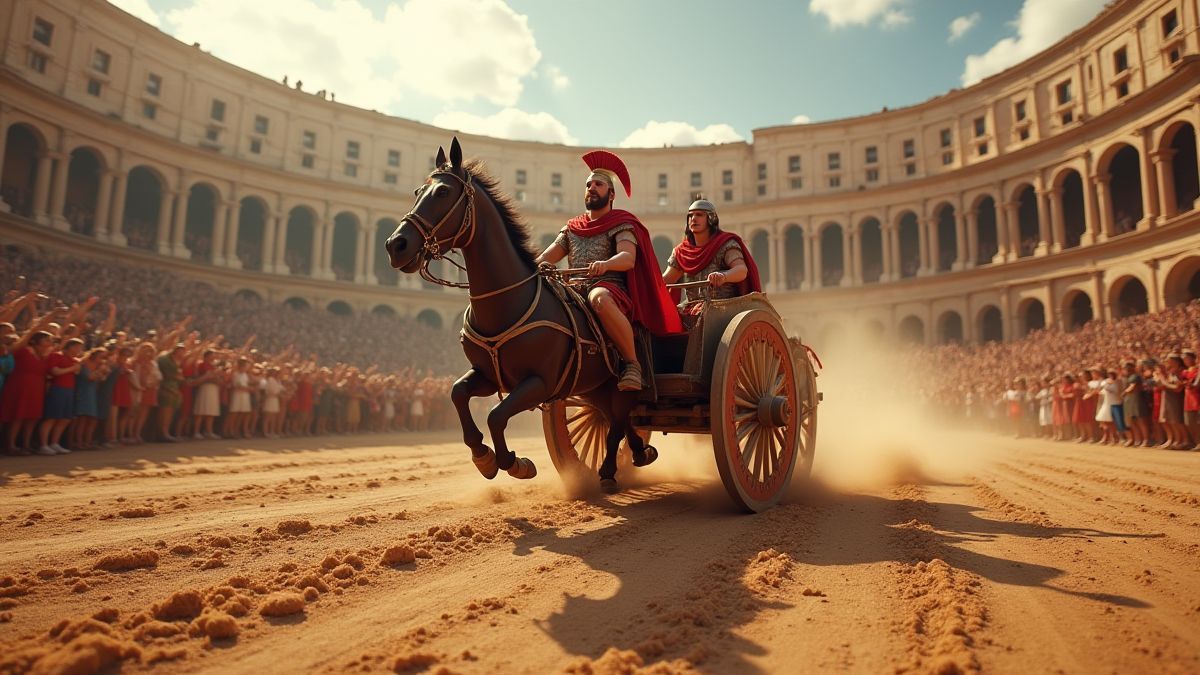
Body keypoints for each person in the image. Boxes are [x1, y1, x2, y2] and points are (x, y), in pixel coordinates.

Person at [535, 151, 682, 391]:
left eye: (598, 184)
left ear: (611, 194)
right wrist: (533, 267)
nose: (591, 188)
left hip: (610, 287)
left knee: (598, 298)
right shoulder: (572, 228)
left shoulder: (621, 224)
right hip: (574, 289)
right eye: (588, 184)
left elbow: (627, 259)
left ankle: (632, 364)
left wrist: (606, 264)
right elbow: (547, 257)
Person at [662, 199, 762, 313]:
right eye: (690, 216)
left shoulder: (725, 244)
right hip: (691, 308)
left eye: (699, 215)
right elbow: (666, 280)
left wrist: (723, 276)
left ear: (711, 219)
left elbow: (741, 270)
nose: (693, 218)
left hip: (723, 309)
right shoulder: (682, 251)